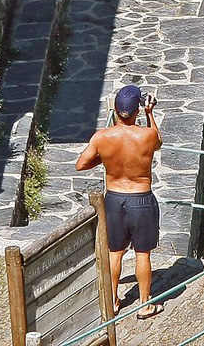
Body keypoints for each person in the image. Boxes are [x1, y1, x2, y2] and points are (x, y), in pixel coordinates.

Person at [74, 85, 164, 320]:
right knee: (143, 254)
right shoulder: (147, 135)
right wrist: (150, 113)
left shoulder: (102, 137)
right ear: (137, 111)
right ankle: (145, 304)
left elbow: (80, 164)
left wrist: (105, 159)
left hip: (113, 199)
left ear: (114, 109)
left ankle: (112, 301)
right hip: (141, 199)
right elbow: (158, 143)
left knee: (115, 252)